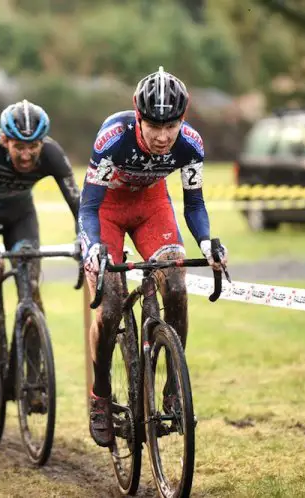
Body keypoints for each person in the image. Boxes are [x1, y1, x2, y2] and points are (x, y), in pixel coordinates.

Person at [78, 67, 228, 447]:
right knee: (110, 305)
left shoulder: (191, 144)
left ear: (182, 120)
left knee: (176, 285)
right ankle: (100, 394)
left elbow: (194, 204)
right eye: (154, 126)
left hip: (151, 207)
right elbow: (89, 205)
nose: (163, 137)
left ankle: (173, 385)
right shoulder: (112, 137)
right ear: (138, 117)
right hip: (106, 211)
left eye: (171, 126)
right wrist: (94, 246)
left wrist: (207, 242)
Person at [0, 99, 80, 397]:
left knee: (31, 288)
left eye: (33, 146)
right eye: (18, 147)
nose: (26, 154)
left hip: (19, 216)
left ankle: (33, 380)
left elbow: (79, 205)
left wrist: (83, 238)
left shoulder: (53, 154)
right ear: (5, 140)